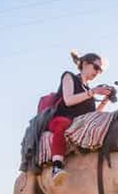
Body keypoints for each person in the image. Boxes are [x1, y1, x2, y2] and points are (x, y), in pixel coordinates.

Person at [47, 51, 113, 184]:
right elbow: (68, 100)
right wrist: (93, 92)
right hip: (61, 119)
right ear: (84, 64)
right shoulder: (69, 76)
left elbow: (93, 115)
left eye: (100, 70)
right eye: (96, 67)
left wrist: (105, 100)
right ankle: (57, 167)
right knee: (63, 123)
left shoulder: (88, 90)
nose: (97, 72)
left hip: (79, 122)